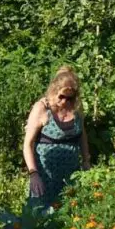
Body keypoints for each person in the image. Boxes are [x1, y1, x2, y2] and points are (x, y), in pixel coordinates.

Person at [23, 66, 91, 209]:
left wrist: (86, 161)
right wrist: (33, 174)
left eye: (70, 98)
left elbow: (82, 135)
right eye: (62, 96)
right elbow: (28, 144)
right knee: (41, 214)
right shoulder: (42, 108)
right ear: (54, 90)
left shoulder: (76, 108)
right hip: (45, 176)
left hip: (70, 174)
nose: (65, 101)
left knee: (69, 213)